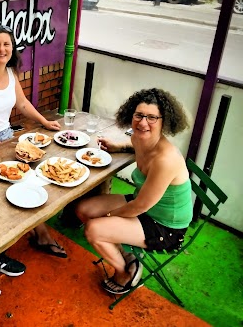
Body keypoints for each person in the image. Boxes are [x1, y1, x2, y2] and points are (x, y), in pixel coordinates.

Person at [0, 24, 66, 277]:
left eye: (6, 44)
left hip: (6, 139)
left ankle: (40, 233)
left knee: (31, 182)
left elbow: (22, 103)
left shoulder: (9, 72)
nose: (2, 49)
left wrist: (44, 121)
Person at [75, 88, 192, 295]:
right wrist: (116, 146)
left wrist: (109, 216)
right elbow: (135, 146)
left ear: (165, 121)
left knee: (94, 228)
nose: (143, 123)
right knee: (84, 209)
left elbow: (140, 206)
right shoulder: (141, 138)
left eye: (152, 117)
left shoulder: (166, 159)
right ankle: (127, 255)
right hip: (144, 205)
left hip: (164, 225)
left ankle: (125, 272)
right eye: (139, 115)